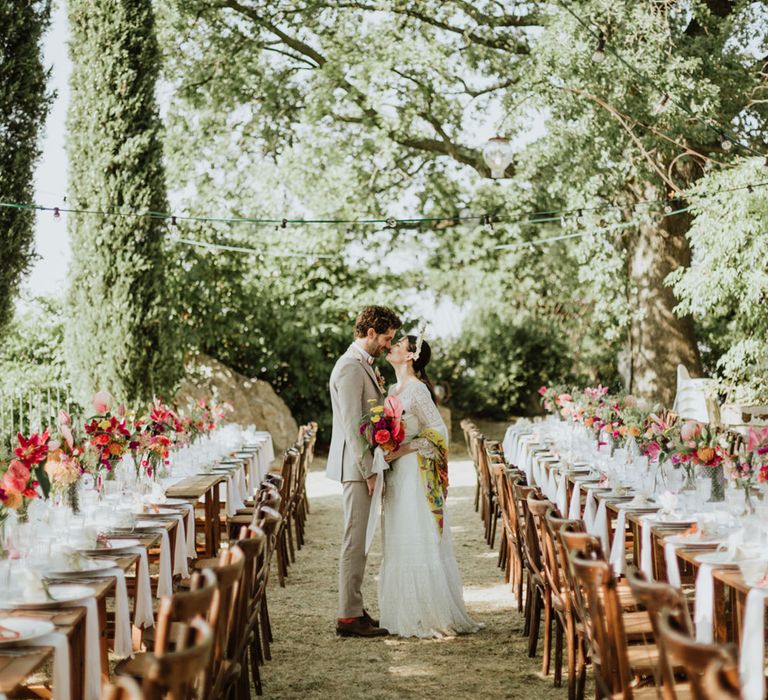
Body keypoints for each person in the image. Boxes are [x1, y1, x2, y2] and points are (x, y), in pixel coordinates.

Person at [376, 332, 481, 638]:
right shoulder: (395, 388)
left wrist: (405, 449)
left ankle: (428, 612)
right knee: (399, 534)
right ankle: (403, 611)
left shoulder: (418, 391)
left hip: (414, 472)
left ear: (410, 356)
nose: (392, 347)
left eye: (398, 345)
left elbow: (438, 432)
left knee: (416, 533)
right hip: (397, 473)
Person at [327, 305, 401, 637]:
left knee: (361, 539)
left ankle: (355, 606)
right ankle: (347, 616)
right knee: (354, 539)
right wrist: (369, 469)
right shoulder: (349, 367)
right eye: (387, 338)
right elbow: (351, 424)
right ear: (370, 332)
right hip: (357, 467)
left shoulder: (361, 365)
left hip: (365, 466)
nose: (389, 345)